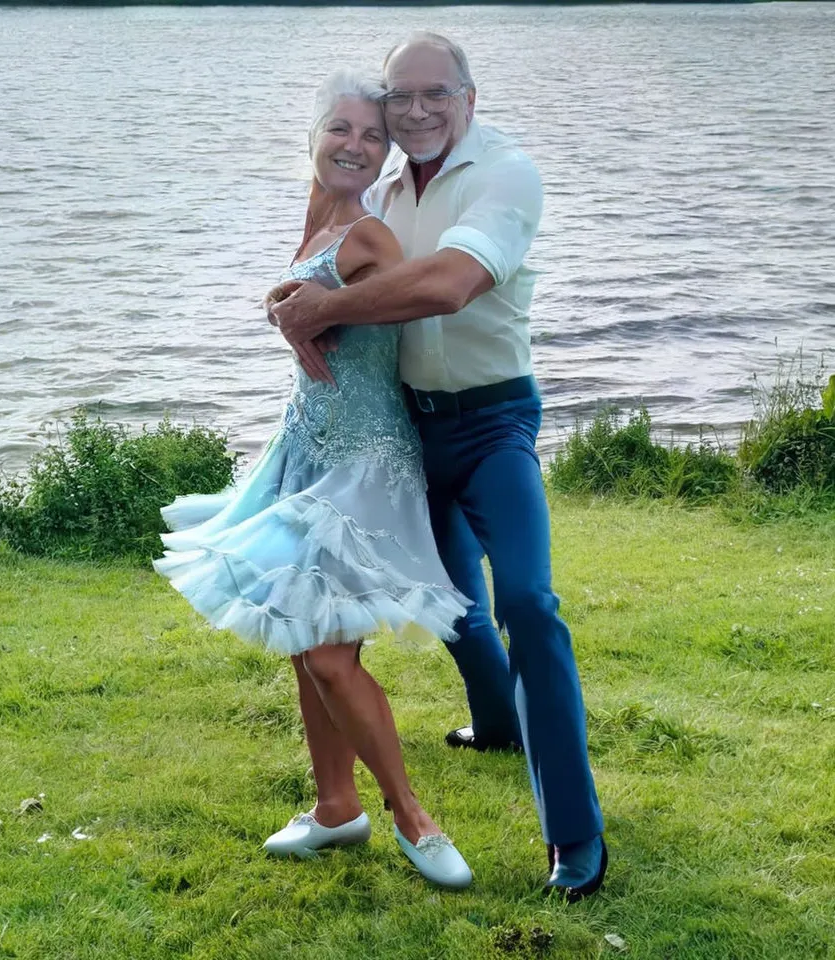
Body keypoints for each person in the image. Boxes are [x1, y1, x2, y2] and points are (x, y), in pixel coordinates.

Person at [269, 33, 607, 901]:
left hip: (492, 422)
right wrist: (292, 303)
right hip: (403, 430)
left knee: (525, 601)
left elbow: (451, 282)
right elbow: (334, 251)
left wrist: (322, 307)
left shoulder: (506, 174)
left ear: (469, 97)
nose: (416, 113)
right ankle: (494, 724)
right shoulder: (382, 184)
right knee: (453, 608)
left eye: (435, 96)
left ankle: (575, 837)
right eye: (401, 98)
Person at [154, 68, 472, 890]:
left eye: (374, 137)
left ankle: (412, 816)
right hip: (303, 449)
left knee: (331, 657)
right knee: (302, 639)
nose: (357, 147)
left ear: (384, 158)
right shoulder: (316, 228)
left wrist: (316, 310)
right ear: (314, 136)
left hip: (364, 463)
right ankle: (337, 807)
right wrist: (288, 300)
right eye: (343, 129)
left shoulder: (368, 237)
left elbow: (414, 308)